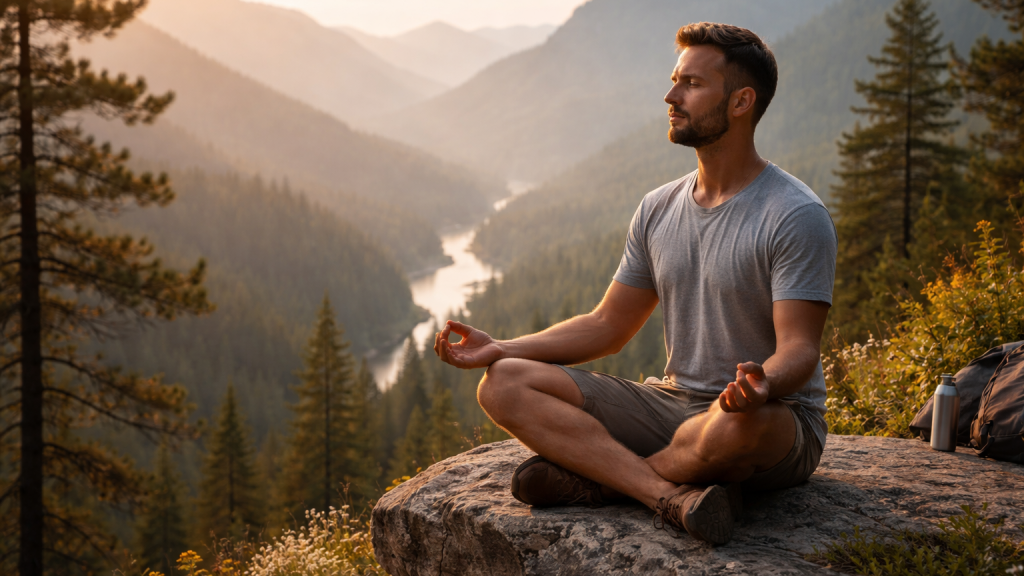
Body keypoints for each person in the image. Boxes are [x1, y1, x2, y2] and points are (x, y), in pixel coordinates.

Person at [433, 22, 836, 546]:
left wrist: (761, 383)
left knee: (737, 427)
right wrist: (500, 347)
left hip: (770, 419)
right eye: (674, 80)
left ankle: (606, 480)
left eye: (691, 84)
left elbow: (800, 350)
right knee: (505, 381)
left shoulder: (794, 214)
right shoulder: (658, 208)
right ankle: (666, 493)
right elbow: (608, 325)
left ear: (741, 102)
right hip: (673, 404)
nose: (671, 96)